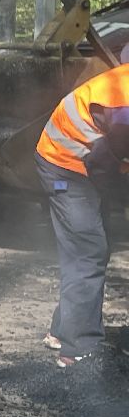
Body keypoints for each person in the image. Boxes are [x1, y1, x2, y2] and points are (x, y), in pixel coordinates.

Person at [34, 63, 129, 368]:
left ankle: (62, 331)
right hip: (64, 163)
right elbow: (104, 167)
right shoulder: (125, 113)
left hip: (86, 158)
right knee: (89, 250)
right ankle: (78, 350)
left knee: (92, 250)